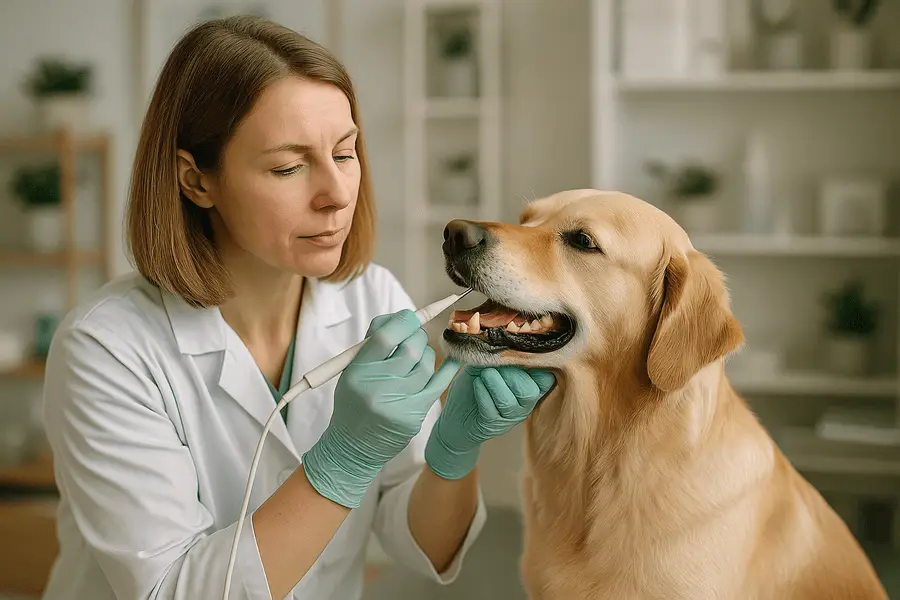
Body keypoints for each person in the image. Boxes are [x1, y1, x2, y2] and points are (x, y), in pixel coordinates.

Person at [38, 15, 555, 600]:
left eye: (345, 152)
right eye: (288, 167)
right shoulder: (106, 348)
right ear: (196, 181)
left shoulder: (372, 299)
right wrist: (343, 461)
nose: (335, 193)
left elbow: (427, 546)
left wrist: (454, 451)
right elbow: (174, 592)